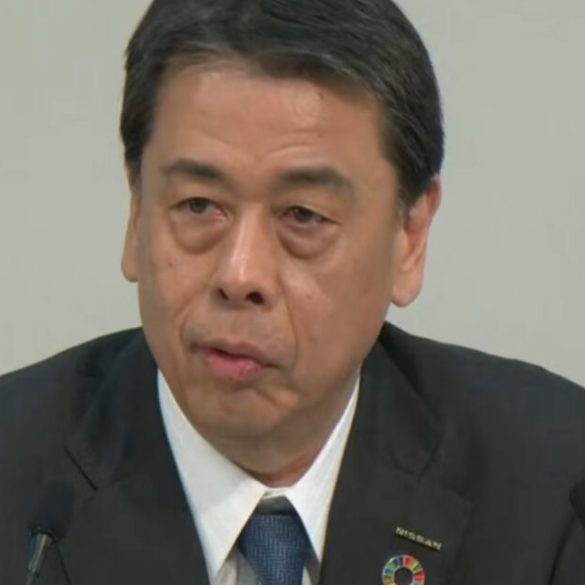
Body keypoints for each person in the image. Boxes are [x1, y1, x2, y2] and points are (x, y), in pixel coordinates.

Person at [1, 0, 585, 583]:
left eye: (303, 215)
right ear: (137, 213)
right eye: (198, 206)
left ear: (409, 236)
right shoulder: (19, 474)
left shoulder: (555, 484)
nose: (240, 275)